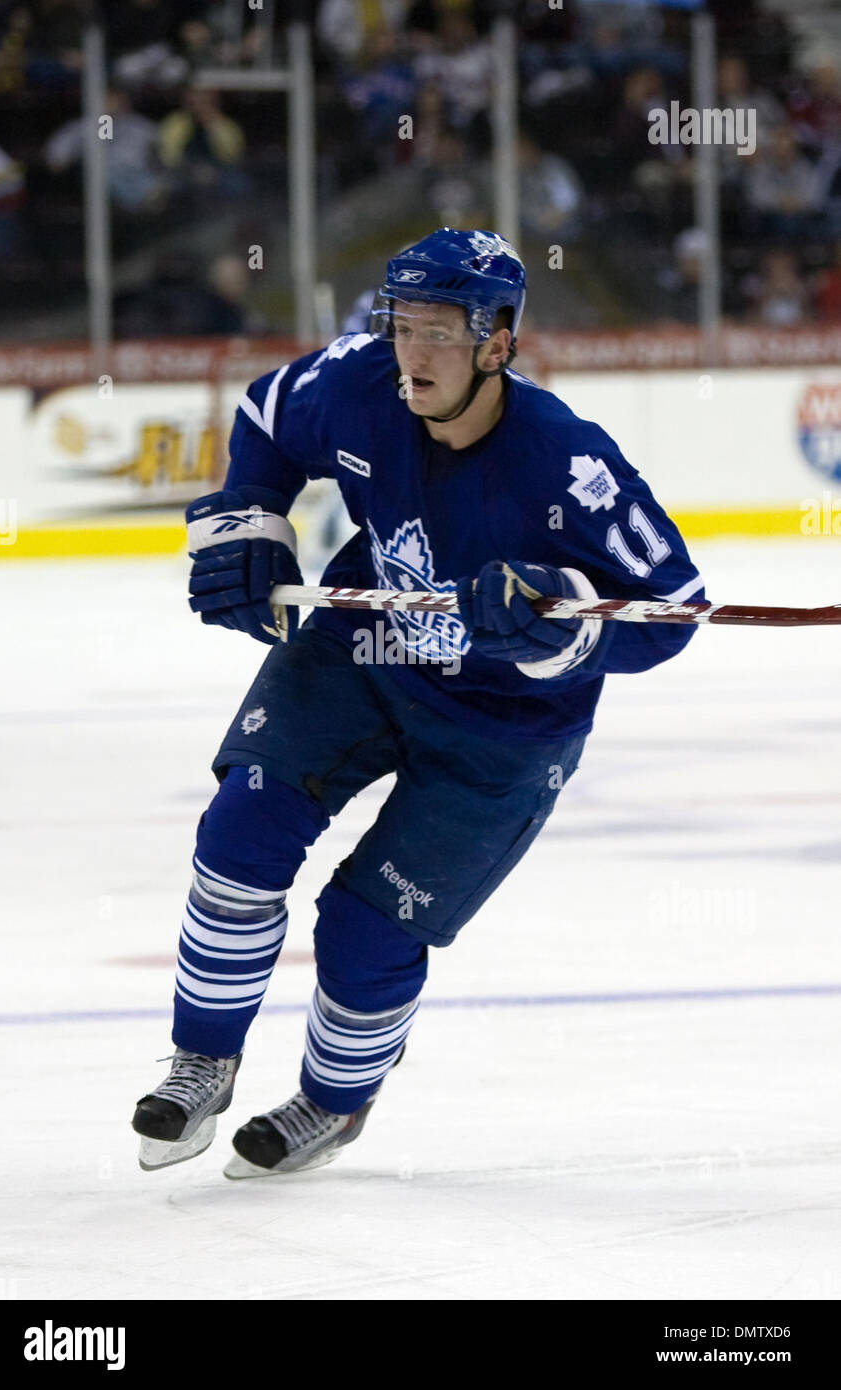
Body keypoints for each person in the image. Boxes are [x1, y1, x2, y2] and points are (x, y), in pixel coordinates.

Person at [131, 228, 705, 1178]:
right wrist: (251, 518)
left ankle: (331, 1104)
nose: (414, 350)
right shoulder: (358, 384)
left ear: (499, 340)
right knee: (240, 833)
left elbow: (671, 611)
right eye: (403, 323)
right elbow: (266, 417)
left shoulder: (566, 462)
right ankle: (204, 1058)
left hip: (508, 727)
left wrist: (559, 630)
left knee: (366, 928)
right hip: (365, 650)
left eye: (443, 330)